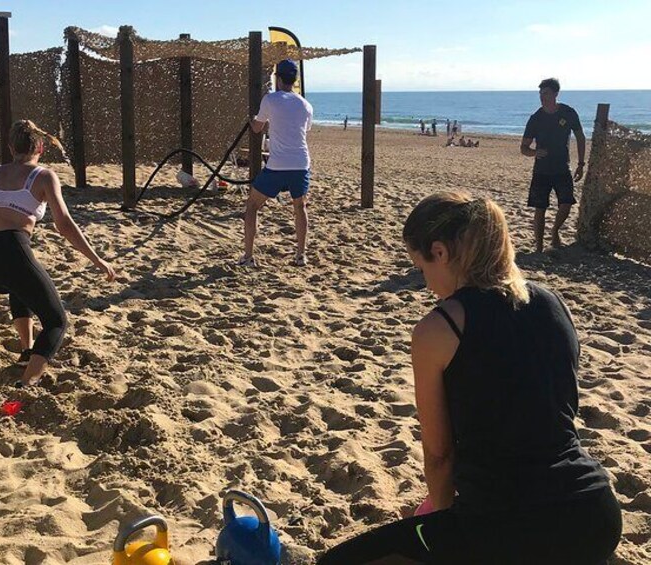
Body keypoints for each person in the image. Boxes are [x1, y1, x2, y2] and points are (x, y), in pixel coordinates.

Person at [317, 192, 621, 565]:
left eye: (421, 267)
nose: (426, 283)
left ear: (440, 253)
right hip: (594, 514)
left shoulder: (440, 327)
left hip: (511, 525)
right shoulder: (553, 302)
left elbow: (440, 456)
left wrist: (443, 524)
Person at [0, 120, 116, 387]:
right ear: (41, 148)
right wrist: (97, 259)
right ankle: (28, 383)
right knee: (56, 322)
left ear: (11, 147)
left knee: (19, 284)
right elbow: (65, 224)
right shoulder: (44, 176)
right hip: (10, 249)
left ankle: (27, 350)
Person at [239, 59, 313, 267]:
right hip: (300, 162)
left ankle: (248, 256)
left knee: (252, 205)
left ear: (278, 78)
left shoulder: (270, 100)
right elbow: (303, 131)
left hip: (278, 164)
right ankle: (300, 255)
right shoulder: (306, 104)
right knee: (300, 206)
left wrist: (253, 118)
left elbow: (256, 128)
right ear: (295, 79)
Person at [521, 78, 586, 252]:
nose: (543, 97)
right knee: (540, 208)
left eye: (546, 93)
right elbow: (523, 148)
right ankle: (539, 247)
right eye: (541, 94)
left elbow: (580, 137)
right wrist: (535, 152)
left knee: (566, 203)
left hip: (562, 168)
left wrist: (581, 163)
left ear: (556, 94)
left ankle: (555, 230)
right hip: (541, 170)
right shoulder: (535, 118)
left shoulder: (568, 112)